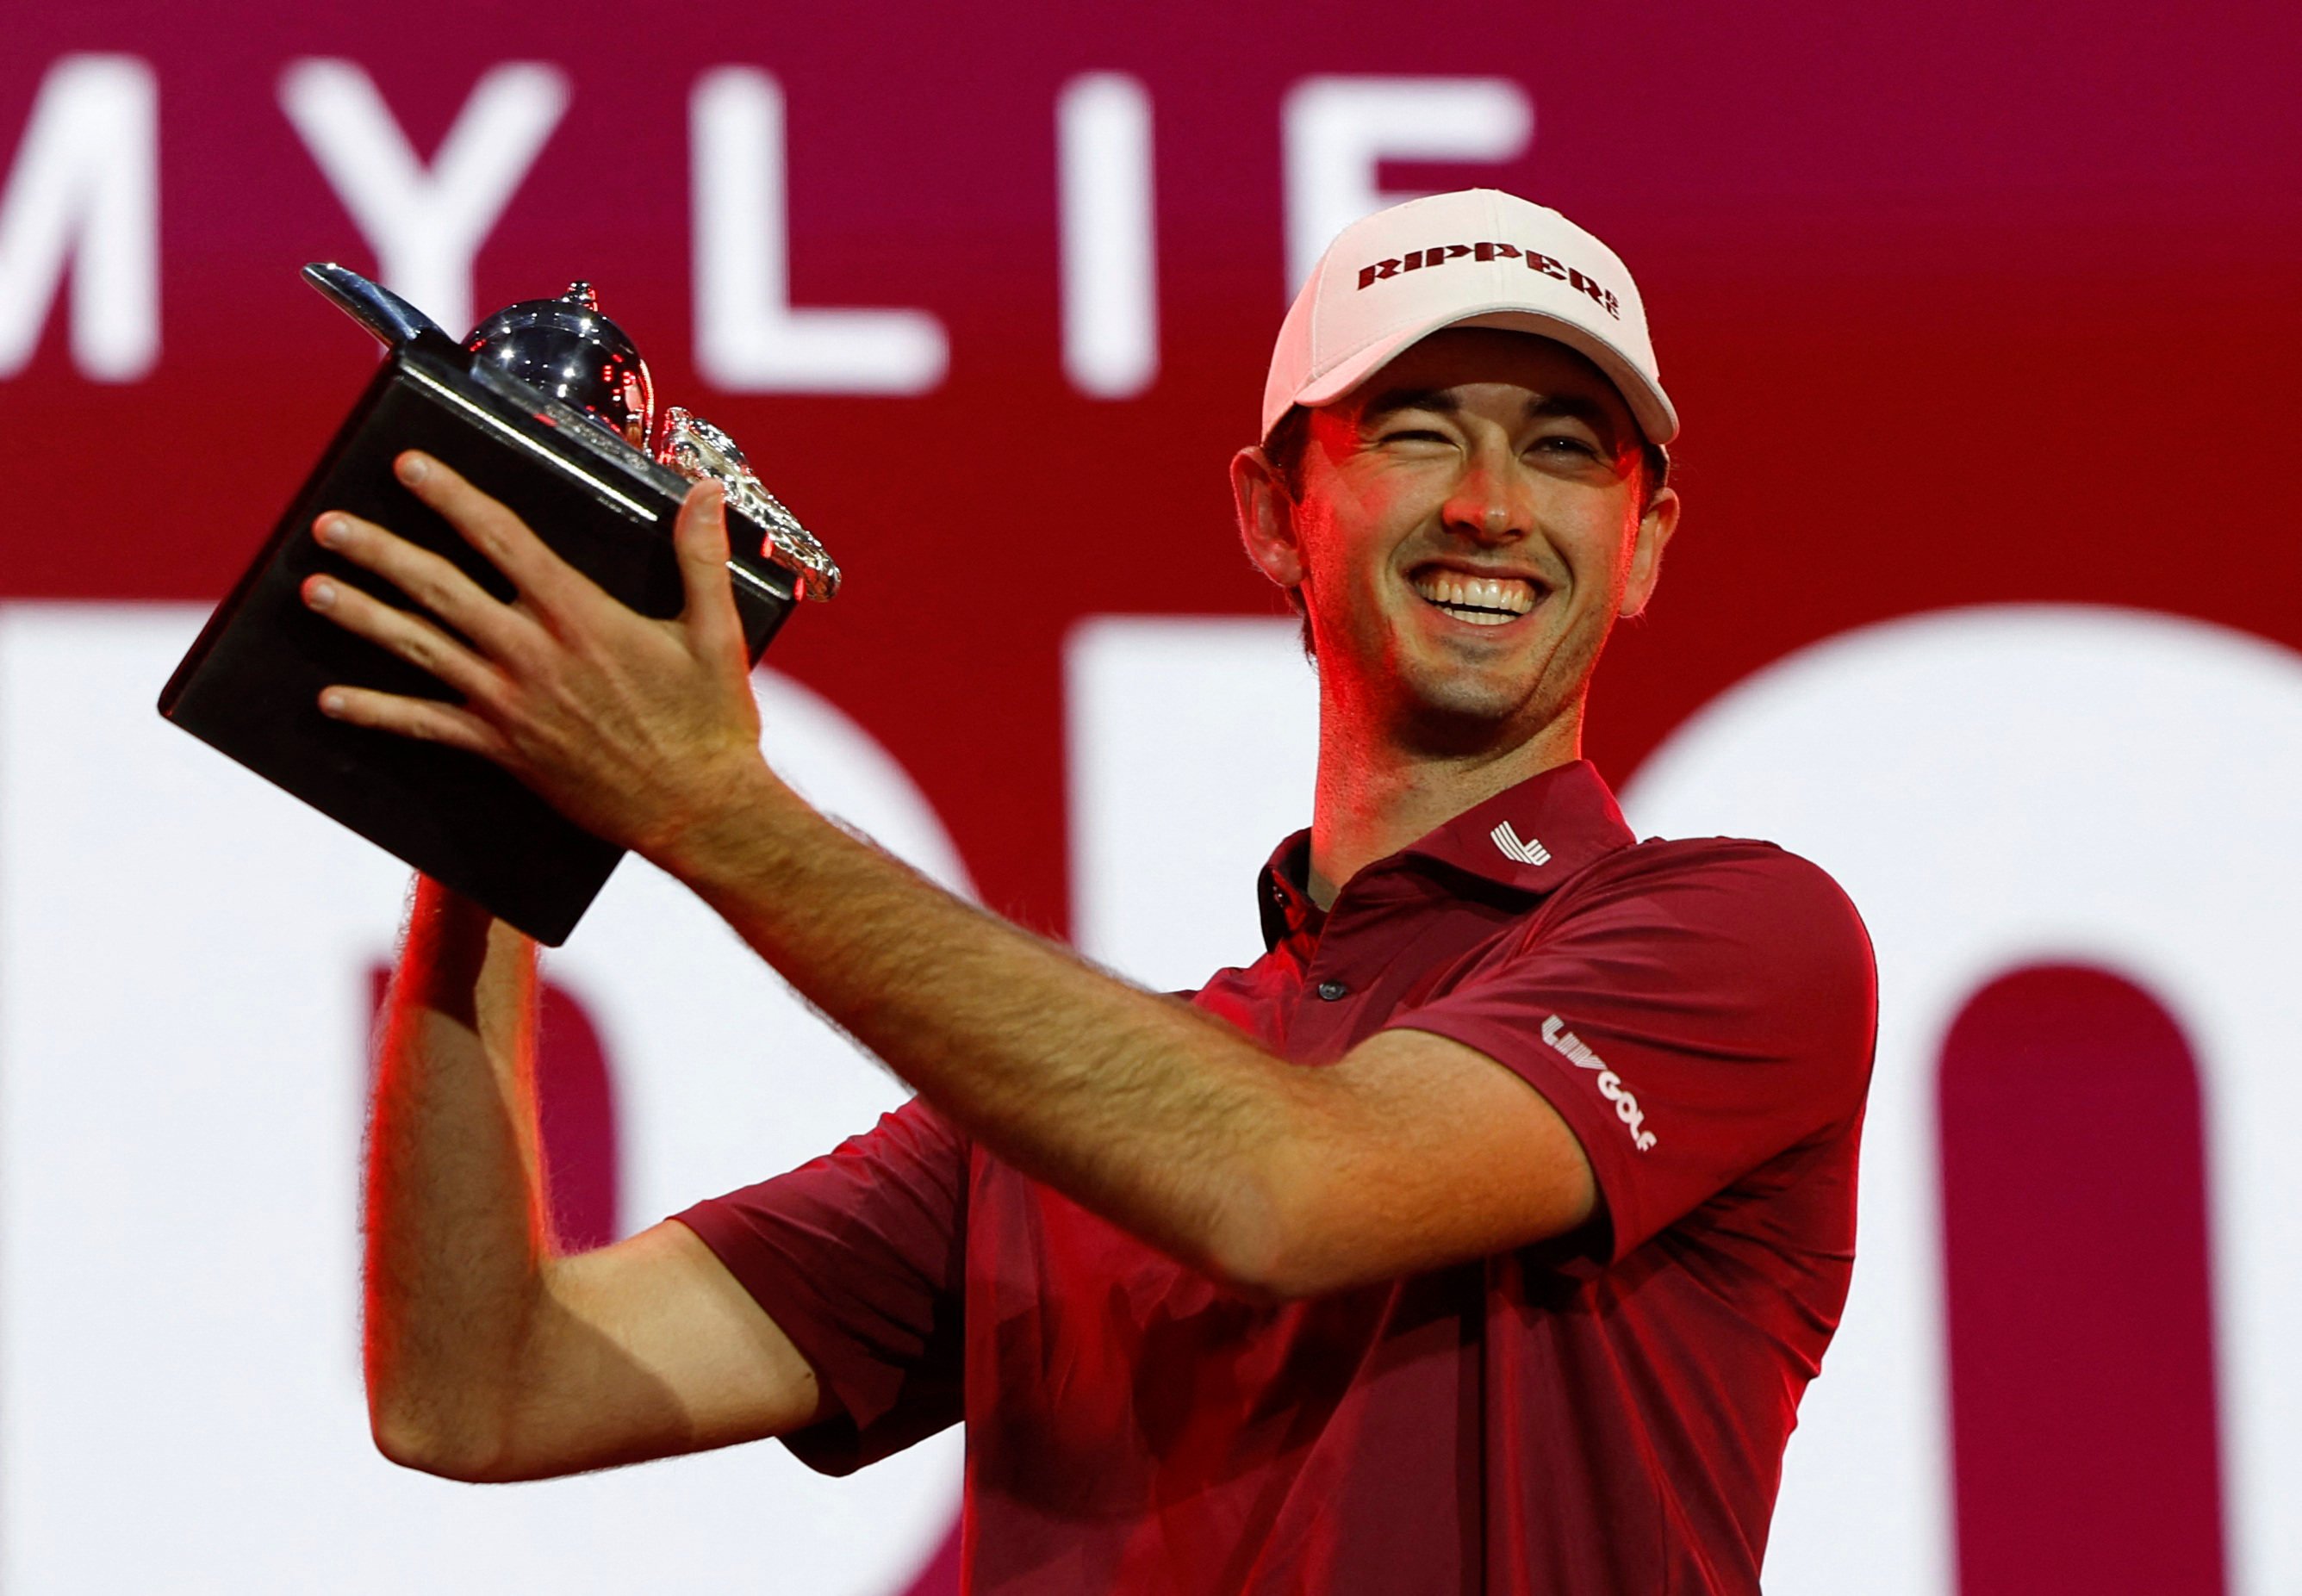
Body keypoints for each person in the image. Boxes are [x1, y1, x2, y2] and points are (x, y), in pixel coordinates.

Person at [325, 189, 1876, 1593]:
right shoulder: (1060, 1127)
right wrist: (494, 802)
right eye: (1415, 430)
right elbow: (482, 1383)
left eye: (1563, 447)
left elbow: (1283, 1188)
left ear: (1644, 542)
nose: (1491, 503)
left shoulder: (1743, 942)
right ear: (1272, 513)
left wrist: (707, 805)